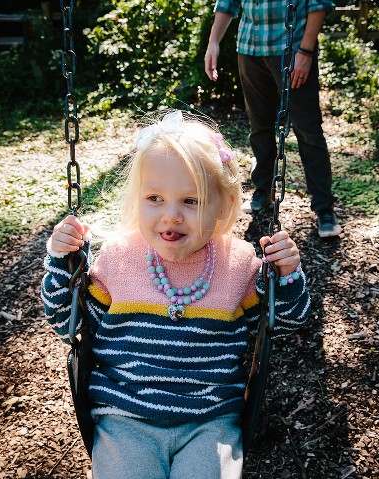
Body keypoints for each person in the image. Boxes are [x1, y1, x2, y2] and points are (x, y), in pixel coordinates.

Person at [41, 110, 310, 479]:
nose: (171, 216)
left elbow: (287, 323)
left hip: (210, 424)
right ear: (138, 199)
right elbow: (64, 323)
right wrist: (61, 262)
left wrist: (286, 273)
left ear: (224, 206)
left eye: (191, 201)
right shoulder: (118, 258)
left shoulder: (239, 263)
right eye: (155, 197)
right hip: (125, 420)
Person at [204, 0, 341, 238]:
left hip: (291, 48)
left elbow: (319, 0)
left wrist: (306, 50)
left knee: (307, 129)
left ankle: (324, 208)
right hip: (249, 46)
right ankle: (263, 190)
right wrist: (214, 42)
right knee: (259, 127)